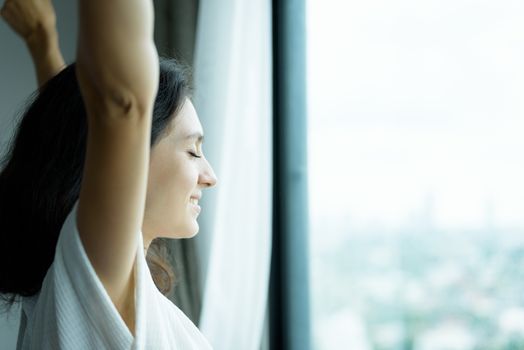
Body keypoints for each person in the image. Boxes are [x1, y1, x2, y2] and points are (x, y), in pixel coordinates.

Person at [0, 0, 218, 348]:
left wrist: (42, 42)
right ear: (132, 157)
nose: (210, 176)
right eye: (193, 150)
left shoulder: (85, 288)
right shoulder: (99, 273)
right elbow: (118, 101)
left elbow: (73, 138)